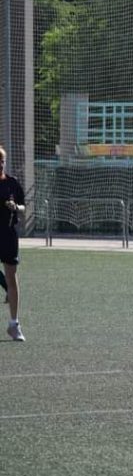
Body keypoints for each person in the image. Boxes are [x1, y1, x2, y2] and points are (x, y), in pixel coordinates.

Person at [0, 146, 26, 341]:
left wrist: (15, 207)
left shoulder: (12, 183)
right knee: (7, 283)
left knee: (12, 276)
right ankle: (6, 288)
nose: (0, 164)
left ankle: (14, 324)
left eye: (2, 161)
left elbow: (23, 206)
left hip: (9, 234)